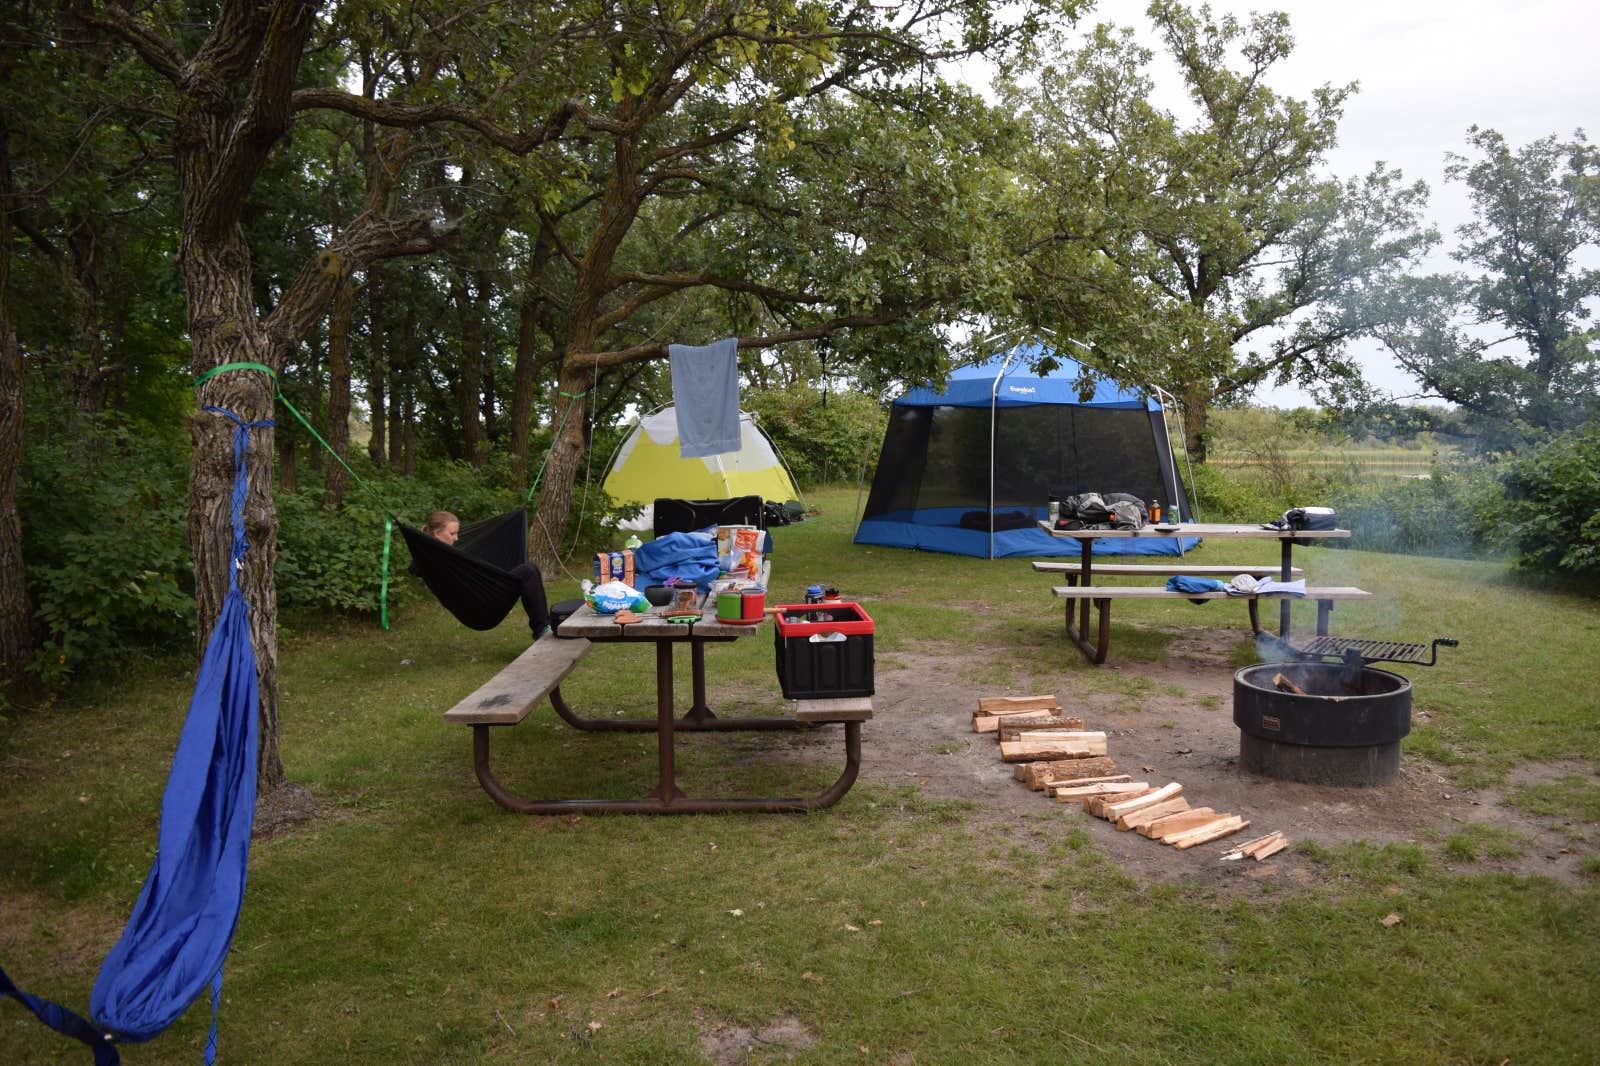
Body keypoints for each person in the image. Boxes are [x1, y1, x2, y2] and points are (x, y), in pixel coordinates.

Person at [422, 510, 550, 639]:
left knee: (530, 571)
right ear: (438, 533)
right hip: (478, 608)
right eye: (452, 533)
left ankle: (543, 627)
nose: (456, 538)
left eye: (457, 533)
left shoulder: (445, 552)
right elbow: (418, 566)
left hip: (484, 595)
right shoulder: (433, 558)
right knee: (529, 570)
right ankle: (541, 628)